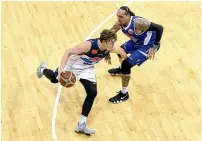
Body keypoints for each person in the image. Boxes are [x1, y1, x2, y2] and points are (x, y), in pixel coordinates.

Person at [36, 29, 127, 135]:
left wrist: (123, 59)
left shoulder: (111, 48)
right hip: (72, 65)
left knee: (92, 92)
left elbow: (121, 52)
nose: (113, 44)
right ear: (104, 41)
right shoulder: (88, 45)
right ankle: (42, 70)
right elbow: (68, 52)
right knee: (55, 79)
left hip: (87, 68)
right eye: (111, 42)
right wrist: (61, 68)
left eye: (114, 42)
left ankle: (81, 124)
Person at [108, 6, 164, 103]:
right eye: (117, 16)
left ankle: (124, 94)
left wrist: (154, 46)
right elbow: (109, 34)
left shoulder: (139, 23)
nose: (118, 18)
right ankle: (123, 71)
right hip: (136, 42)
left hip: (148, 46)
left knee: (126, 64)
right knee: (120, 51)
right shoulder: (119, 23)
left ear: (127, 15)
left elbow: (160, 28)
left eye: (121, 16)